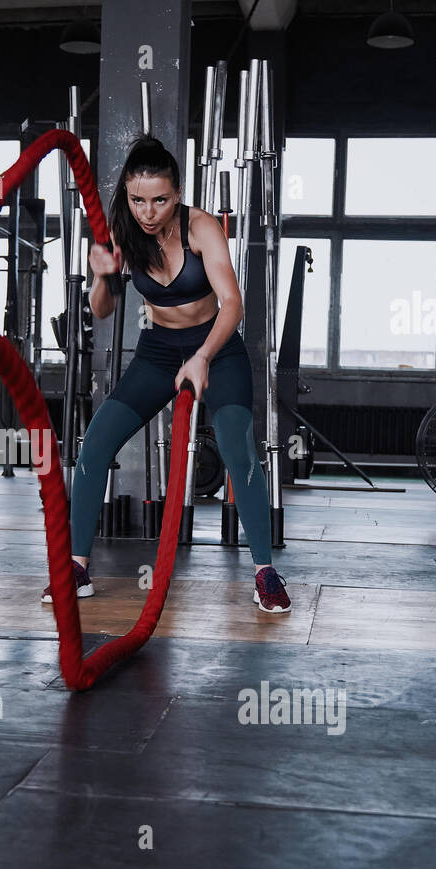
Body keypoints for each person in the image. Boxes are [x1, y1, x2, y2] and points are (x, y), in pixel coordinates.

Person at [42, 136, 291, 614]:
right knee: (93, 446)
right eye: (138, 200)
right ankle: (76, 567)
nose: (147, 211)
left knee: (238, 450)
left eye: (159, 199)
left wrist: (201, 357)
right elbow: (103, 310)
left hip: (217, 350)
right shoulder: (124, 229)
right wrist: (101, 276)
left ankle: (265, 572)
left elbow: (233, 304)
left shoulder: (201, 228)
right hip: (157, 352)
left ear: (177, 194)